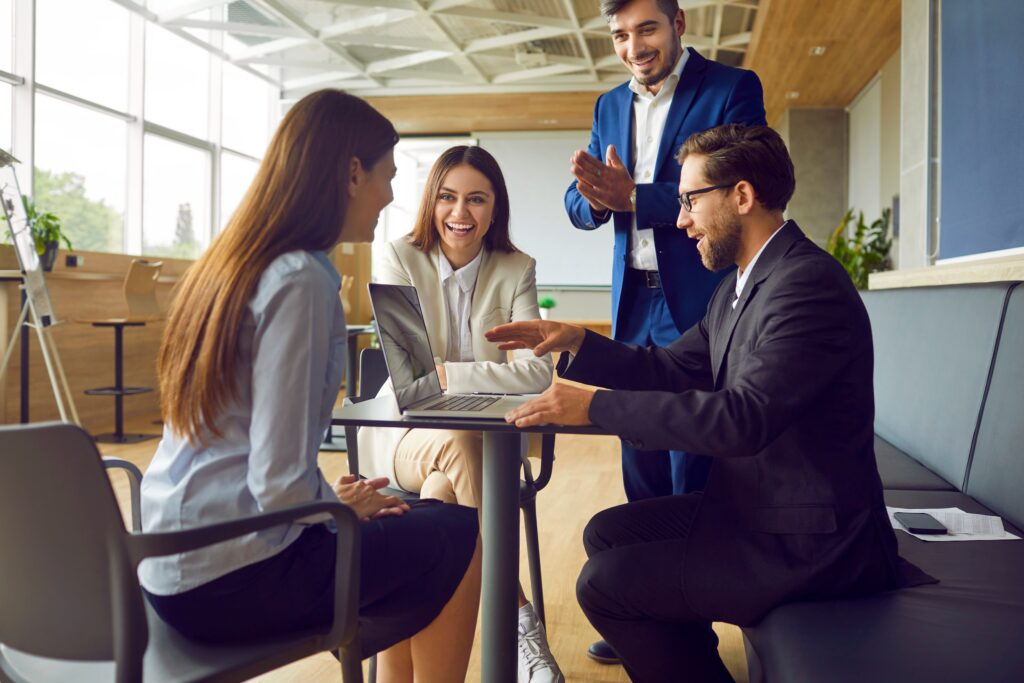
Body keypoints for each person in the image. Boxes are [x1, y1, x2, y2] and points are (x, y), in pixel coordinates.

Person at [489, 124, 928, 682]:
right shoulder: (743, 282)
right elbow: (671, 368)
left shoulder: (806, 285)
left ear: (742, 196)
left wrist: (595, 406)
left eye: (690, 200)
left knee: (604, 585)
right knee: (607, 532)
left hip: (810, 541)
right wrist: (578, 341)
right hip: (757, 510)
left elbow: (742, 420)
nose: (680, 220)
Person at [139, 90, 481, 683]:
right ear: (352, 173)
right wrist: (329, 510)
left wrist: (324, 502)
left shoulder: (232, 264)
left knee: (419, 518)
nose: (393, 196)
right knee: (460, 532)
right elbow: (277, 484)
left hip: (171, 566)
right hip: (234, 578)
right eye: (387, 177)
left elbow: (252, 457)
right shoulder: (301, 278)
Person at [565, 1, 766, 660]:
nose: (633, 47)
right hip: (633, 305)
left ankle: (693, 623)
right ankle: (643, 608)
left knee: (693, 467)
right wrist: (594, 198)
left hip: (699, 305)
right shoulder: (606, 107)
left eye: (646, 29)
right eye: (620, 35)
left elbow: (745, 177)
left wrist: (636, 197)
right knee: (640, 460)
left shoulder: (730, 89)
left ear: (679, 24)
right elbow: (578, 202)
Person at [358, 145, 562, 683]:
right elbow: (410, 378)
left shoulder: (516, 268)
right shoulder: (398, 256)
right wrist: (468, 375)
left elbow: (537, 373)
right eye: (448, 197)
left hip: (482, 447)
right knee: (456, 444)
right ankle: (518, 617)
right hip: (402, 436)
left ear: (495, 209)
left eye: (477, 199)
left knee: (440, 498)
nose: (460, 213)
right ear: (431, 203)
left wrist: (452, 374)